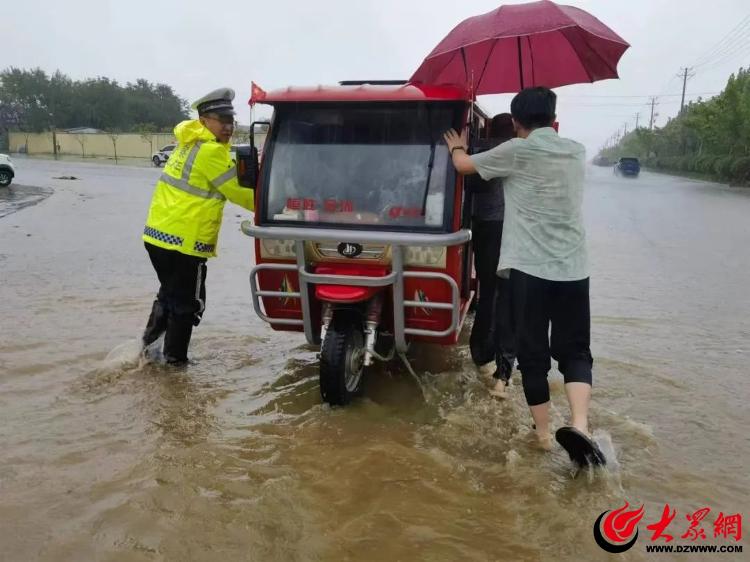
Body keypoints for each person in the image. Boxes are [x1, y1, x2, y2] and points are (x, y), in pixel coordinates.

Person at [444, 87, 601, 463]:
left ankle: (545, 436)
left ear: (516, 124)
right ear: (554, 119)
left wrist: (456, 145)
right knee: (576, 350)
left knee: (534, 355)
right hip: (574, 269)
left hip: (529, 271)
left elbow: (464, 167)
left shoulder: (516, 150)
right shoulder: (577, 151)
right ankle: (580, 425)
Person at [141, 87, 254, 365]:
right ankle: (175, 366)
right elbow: (243, 194)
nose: (229, 127)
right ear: (204, 120)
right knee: (187, 305)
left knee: (168, 296)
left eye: (231, 120)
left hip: (158, 238)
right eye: (221, 120)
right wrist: (280, 205)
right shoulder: (211, 152)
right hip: (184, 243)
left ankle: (147, 353)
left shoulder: (188, 143)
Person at [466, 114, 516, 399]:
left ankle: (480, 353)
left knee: (488, 291)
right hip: (510, 230)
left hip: (485, 228)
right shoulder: (516, 153)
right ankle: (503, 369)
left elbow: (470, 184)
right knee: (506, 296)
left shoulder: (481, 151)